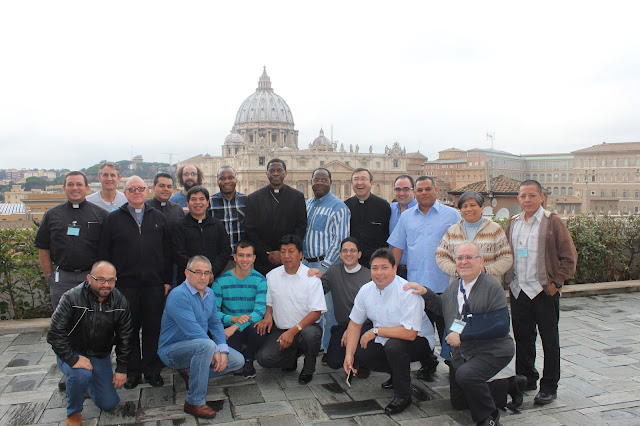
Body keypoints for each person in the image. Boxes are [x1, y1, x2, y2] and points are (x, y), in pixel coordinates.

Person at [405, 242, 514, 426]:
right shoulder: (455, 286)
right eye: (460, 258)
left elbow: (501, 325)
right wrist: (424, 292)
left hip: (492, 350)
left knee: (466, 375)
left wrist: (462, 336)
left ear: (481, 261)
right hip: (464, 353)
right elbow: (442, 307)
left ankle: (488, 417)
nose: (464, 262)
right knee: (459, 402)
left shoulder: (491, 287)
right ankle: (509, 385)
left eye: (469, 257)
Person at [504, 180, 577, 405]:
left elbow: (569, 257)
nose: (528, 200)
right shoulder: (513, 223)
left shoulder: (552, 222)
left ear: (541, 197)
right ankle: (527, 378)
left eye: (532, 195)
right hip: (519, 291)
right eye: (523, 196)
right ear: (518, 199)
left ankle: (549, 386)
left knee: (549, 341)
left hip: (544, 291)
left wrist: (556, 284)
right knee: (523, 339)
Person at [99, 176, 172, 389]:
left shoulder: (158, 217)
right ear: (126, 193)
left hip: (153, 285)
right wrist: (107, 283)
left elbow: (167, 253)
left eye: (140, 188)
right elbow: (104, 253)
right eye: (132, 189)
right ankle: (132, 371)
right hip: (125, 286)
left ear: (147, 191)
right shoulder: (113, 219)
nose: (137, 192)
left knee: (153, 328)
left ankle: (151, 370)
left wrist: (166, 280)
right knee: (127, 330)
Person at [343, 248, 434, 415]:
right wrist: (349, 355)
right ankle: (396, 373)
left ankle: (403, 395)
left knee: (394, 346)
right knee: (360, 351)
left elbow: (410, 334)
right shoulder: (366, 290)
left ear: (394, 268)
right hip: (387, 338)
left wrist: (376, 331)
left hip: (419, 340)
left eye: (384, 267)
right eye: (375, 268)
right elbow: (355, 324)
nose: (379, 273)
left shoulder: (407, 291)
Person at [388, 176, 460, 376]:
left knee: (449, 327)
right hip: (418, 286)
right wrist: (392, 275)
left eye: (428, 189)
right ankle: (428, 363)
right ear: (415, 193)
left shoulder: (452, 216)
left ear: (436, 190)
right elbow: (398, 246)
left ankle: (454, 364)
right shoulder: (407, 217)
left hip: (446, 284)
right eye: (420, 190)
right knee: (419, 329)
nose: (424, 193)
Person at [158, 256, 245, 419]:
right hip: (172, 351)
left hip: (200, 346)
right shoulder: (178, 296)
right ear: (186, 273)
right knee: (206, 345)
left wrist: (223, 349)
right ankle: (194, 401)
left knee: (237, 360)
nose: (203, 277)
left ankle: (191, 372)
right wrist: (215, 350)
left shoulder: (210, 293)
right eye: (197, 272)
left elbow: (215, 324)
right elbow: (194, 331)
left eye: (207, 273)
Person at [47, 261, 132, 426]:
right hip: (72, 352)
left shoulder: (120, 302)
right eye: (100, 279)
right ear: (89, 278)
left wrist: (122, 368)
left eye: (111, 280)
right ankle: (74, 413)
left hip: (99, 355)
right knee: (80, 374)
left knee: (109, 403)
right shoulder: (71, 297)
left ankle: (85, 387)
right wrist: (72, 359)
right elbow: (54, 334)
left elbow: (125, 337)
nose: (106, 285)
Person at [255, 235, 326, 385]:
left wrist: (292, 332)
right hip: (281, 329)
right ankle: (291, 358)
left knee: (311, 335)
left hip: (304, 328)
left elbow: (316, 312)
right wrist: (268, 316)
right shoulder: (272, 276)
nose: (286, 256)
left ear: (300, 254)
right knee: (263, 358)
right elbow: (269, 303)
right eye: (283, 251)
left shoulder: (311, 278)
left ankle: (308, 369)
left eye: (291, 251)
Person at [35, 171, 108, 310]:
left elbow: (109, 248)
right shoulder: (51, 215)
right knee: (63, 324)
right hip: (62, 279)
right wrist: (49, 276)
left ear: (87, 188)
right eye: (70, 184)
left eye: (79, 184)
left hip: (91, 278)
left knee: (93, 322)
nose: (75, 188)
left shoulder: (101, 215)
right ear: (64, 188)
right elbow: (43, 248)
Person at [303, 167, 350, 354]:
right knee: (310, 307)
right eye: (316, 179)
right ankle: (314, 344)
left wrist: (324, 266)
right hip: (307, 263)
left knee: (329, 310)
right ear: (311, 182)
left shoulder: (339, 207)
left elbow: (340, 240)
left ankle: (328, 347)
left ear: (331, 183)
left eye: (324, 180)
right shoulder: (308, 204)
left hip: (326, 265)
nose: (320, 183)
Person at [213, 240, 267, 379]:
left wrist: (236, 326)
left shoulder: (260, 280)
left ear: (254, 258)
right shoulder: (220, 282)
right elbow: (214, 312)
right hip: (229, 324)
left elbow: (259, 311)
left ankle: (249, 359)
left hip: (249, 325)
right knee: (234, 355)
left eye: (248, 256)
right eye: (241, 255)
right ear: (235, 257)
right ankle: (240, 355)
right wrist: (233, 320)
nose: (245, 259)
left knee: (260, 330)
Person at [244, 159, 307, 275]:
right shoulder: (254, 198)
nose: (275, 173)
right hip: (264, 258)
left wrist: (283, 252)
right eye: (272, 171)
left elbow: (301, 226)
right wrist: (267, 252)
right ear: (267, 173)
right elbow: (250, 229)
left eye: (279, 170)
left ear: (285, 173)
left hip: (289, 258)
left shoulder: (297, 197)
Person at [320, 237, 371, 370]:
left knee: (362, 351)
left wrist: (352, 330)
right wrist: (313, 276)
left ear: (359, 254)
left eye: (352, 251)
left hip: (364, 326)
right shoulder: (334, 272)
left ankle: (362, 362)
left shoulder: (369, 276)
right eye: (345, 251)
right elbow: (317, 289)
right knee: (333, 362)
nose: (349, 254)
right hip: (343, 325)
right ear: (340, 254)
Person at [173, 186, 231, 283]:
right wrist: (197, 272)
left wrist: (212, 272)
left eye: (201, 199)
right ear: (187, 203)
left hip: (213, 278)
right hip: (187, 279)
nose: (198, 203)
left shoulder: (217, 225)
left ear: (208, 203)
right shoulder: (180, 226)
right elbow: (178, 253)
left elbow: (225, 251)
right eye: (193, 199)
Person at [344, 168, 390, 268]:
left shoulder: (383, 206)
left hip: (376, 263)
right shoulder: (345, 206)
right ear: (352, 183)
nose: (359, 182)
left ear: (371, 182)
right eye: (356, 179)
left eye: (364, 179)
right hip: (352, 263)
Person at [210, 166, 247, 260]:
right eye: (222, 178)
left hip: (242, 258)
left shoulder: (246, 201)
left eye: (230, 177)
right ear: (217, 181)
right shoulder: (210, 202)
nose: (226, 181)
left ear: (236, 179)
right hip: (219, 258)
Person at [389, 174, 417, 280]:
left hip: (414, 271)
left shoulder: (421, 212)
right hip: (394, 270)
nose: (401, 193)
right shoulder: (390, 209)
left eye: (406, 189)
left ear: (413, 191)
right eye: (398, 189)